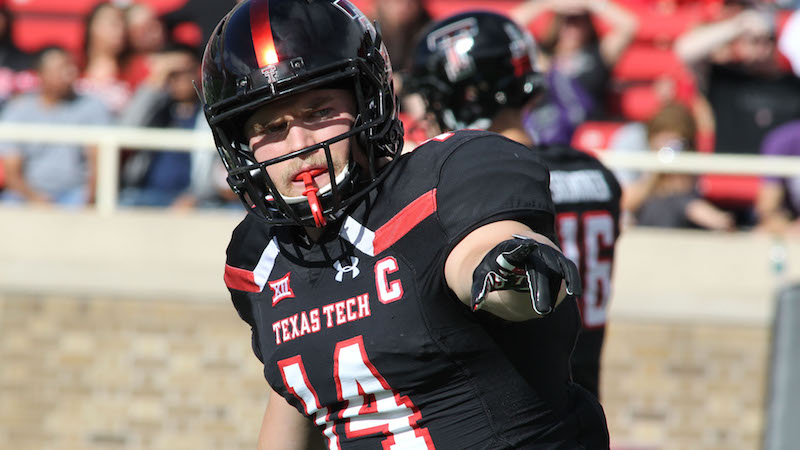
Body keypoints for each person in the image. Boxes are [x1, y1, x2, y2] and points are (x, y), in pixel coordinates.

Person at [202, 0, 606, 448]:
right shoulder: (260, 257)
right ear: (240, 144)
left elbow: (480, 249)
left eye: (319, 112)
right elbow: (303, 391)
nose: (300, 144)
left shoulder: (445, 175)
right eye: (272, 127)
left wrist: (508, 268)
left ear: (367, 101)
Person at [407, 10, 621, 401]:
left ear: (469, 96)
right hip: (584, 400)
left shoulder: (474, 184)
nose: (425, 113)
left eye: (433, 98)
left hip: (515, 403)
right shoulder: (595, 173)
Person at [674, 0, 800, 154]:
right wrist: (739, 25)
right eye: (754, 41)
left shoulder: (793, 85)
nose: (762, 49)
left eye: (768, 40)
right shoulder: (725, 80)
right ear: (741, 43)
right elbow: (685, 51)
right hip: (731, 166)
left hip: (778, 168)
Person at [0, 47, 110, 206]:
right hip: (28, 193)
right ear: (41, 74)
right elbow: (12, 172)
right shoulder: (19, 109)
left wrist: (89, 201)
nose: (70, 73)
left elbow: (99, 163)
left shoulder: (91, 106)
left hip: (76, 193)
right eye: (61, 68)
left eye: (72, 67)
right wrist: (35, 198)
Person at [512, 0, 638, 117]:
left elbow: (629, 26)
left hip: (588, 127)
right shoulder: (543, 56)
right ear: (557, 24)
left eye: (578, 22)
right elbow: (510, 26)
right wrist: (547, 3)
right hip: (549, 125)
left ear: (588, 25)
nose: (572, 28)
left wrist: (590, 3)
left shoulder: (599, 54)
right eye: (567, 21)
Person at [619, 102, 735, 230]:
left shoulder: (686, 151)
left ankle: (719, 221)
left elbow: (685, 192)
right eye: (666, 139)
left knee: (676, 201)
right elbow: (626, 203)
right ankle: (718, 220)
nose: (670, 147)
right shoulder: (634, 140)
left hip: (677, 218)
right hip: (641, 219)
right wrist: (658, 168)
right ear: (654, 135)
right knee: (669, 203)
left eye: (675, 143)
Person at [118, 43, 201, 208]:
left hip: (194, 199)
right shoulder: (156, 110)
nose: (180, 78)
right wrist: (156, 81)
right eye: (173, 74)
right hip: (143, 195)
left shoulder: (207, 114)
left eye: (186, 71)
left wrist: (196, 196)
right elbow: (126, 130)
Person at [75, 2, 131, 114]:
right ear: (92, 27)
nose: (120, 29)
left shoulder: (135, 70)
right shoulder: (73, 67)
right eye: (113, 24)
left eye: (123, 24)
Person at [755, 119, 800, 234]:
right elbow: (767, 210)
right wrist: (788, 229)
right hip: (791, 227)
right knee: (761, 234)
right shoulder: (785, 138)